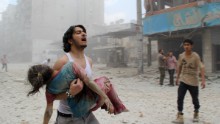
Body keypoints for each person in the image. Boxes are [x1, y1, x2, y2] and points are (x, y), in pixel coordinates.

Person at [27, 62, 127, 124]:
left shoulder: (49, 91)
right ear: (45, 67)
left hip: (77, 111)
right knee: (104, 81)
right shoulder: (70, 67)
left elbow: (49, 111)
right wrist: (105, 97)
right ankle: (118, 107)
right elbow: (89, 82)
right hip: (88, 108)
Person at [53, 25, 114, 124]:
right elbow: (52, 95)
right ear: (70, 40)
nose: (84, 34)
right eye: (78, 32)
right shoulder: (62, 62)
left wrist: (103, 91)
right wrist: (70, 92)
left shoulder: (89, 61)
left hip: (87, 114)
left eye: (84, 32)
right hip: (69, 118)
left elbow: (88, 85)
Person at [172, 39, 206, 123]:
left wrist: (203, 80)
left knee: (195, 99)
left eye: (188, 45)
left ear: (191, 46)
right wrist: (177, 78)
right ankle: (180, 116)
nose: (186, 46)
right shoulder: (181, 56)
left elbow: (201, 67)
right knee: (180, 97)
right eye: (185, 45)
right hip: (183, 80)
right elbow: (179, 67)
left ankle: (196, 113)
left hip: (193, 81)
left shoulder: (195, 56)